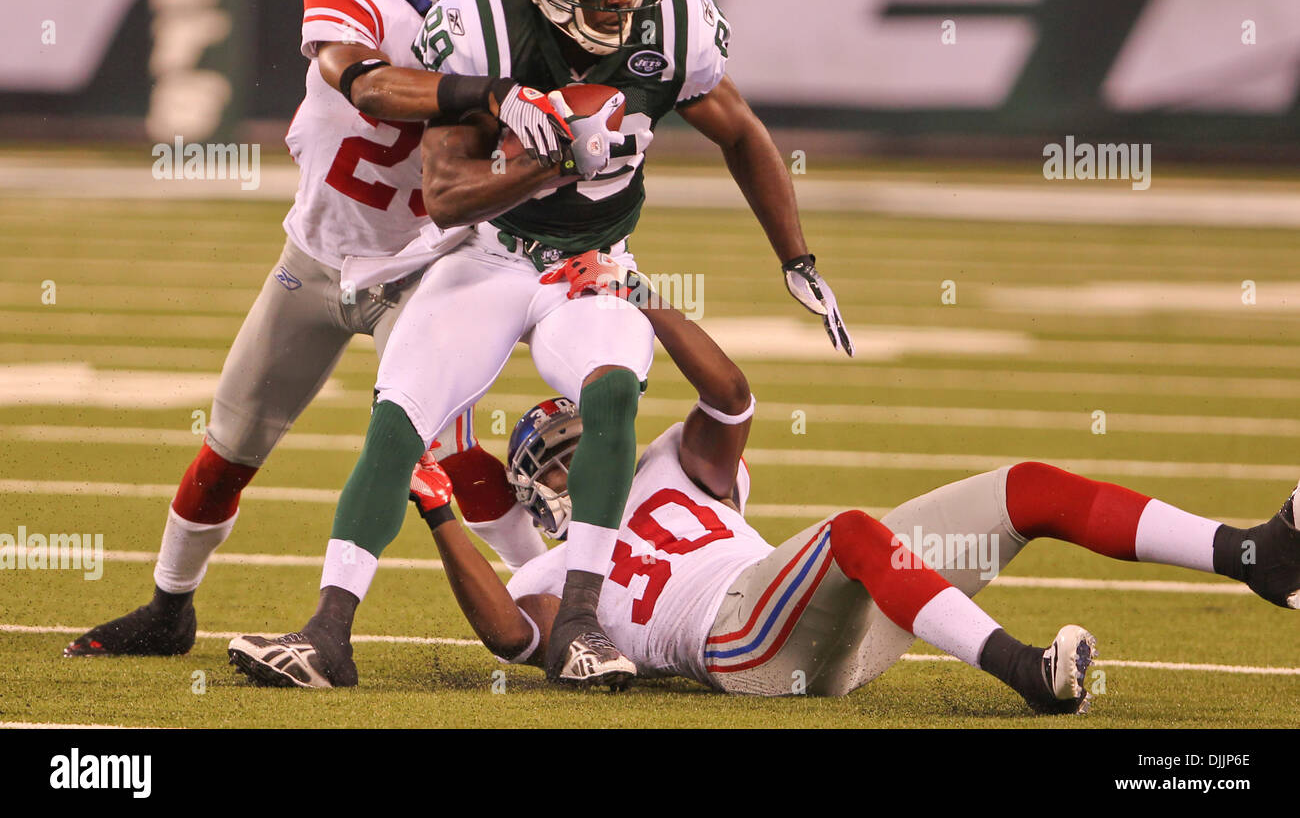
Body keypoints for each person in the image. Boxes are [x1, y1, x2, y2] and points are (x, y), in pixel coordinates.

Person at [227, 0, 855, 689]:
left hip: (593, 260)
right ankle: (326, 634)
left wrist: (795, 256)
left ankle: (585, 626)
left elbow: (738, 128)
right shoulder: (484, 28)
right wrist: (549, 158)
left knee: (612, 393)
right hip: (488, 252)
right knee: (399, 416)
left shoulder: (676, 19)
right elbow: (448, 193)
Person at [406, 250, 1300, 709]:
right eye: (556, 458)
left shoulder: (670, 464)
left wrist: (641, 300)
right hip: (742, 648)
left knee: (1026, 487)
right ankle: (1026, 672)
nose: (579, 458)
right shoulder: (551, 580)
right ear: (537, 494)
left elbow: (731, 397)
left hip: (830, 621)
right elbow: (507, 638)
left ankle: (1254, 552)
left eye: (579, 439)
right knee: (850, 530)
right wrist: (444, 514)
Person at [65, 0, 573, 658]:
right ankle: (169, 609)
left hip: (423, 272)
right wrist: (495, 93)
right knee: (227, 449)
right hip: (314, 260)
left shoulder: (497, 35)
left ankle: (561, 605)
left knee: (449, 454)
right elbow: (365, 81)